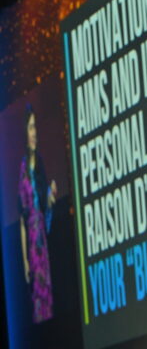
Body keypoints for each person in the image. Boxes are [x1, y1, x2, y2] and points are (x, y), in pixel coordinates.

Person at [18, 104, 56, 323]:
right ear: (25, 132)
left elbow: (45, 206)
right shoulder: (23, 169)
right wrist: (24, 260)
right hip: (32, 244)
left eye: (35, 128)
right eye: (31, 128)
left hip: (43, 242)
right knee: (37, 302)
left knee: (47, 298)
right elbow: (23, 219)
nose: (34, 133)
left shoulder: (40, 164)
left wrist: (50, 196)